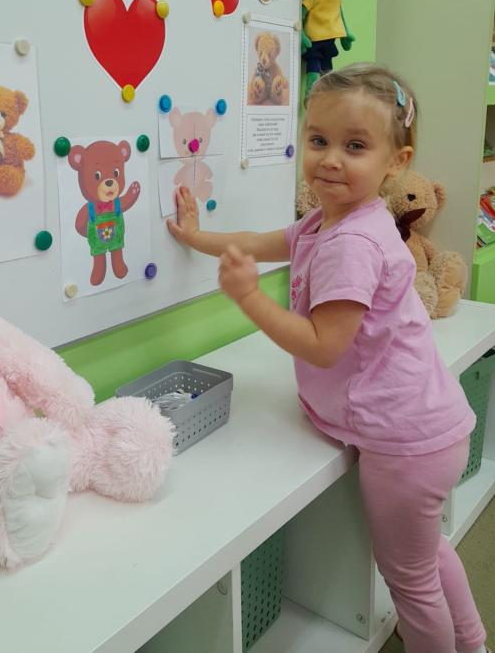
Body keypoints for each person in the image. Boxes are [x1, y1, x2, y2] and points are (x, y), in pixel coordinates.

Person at [167, 63, 489, 653]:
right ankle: (471, 642)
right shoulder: (330, 219)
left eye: (355, 146)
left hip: (404, 444)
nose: (331, 160)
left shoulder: (351, 244)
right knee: (428, 555)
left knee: (410, 580)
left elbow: (322, 344)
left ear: (396, 161)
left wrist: (247, 298)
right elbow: (259, 243)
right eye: (318, 140)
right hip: (428, 425)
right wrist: (196, 238)